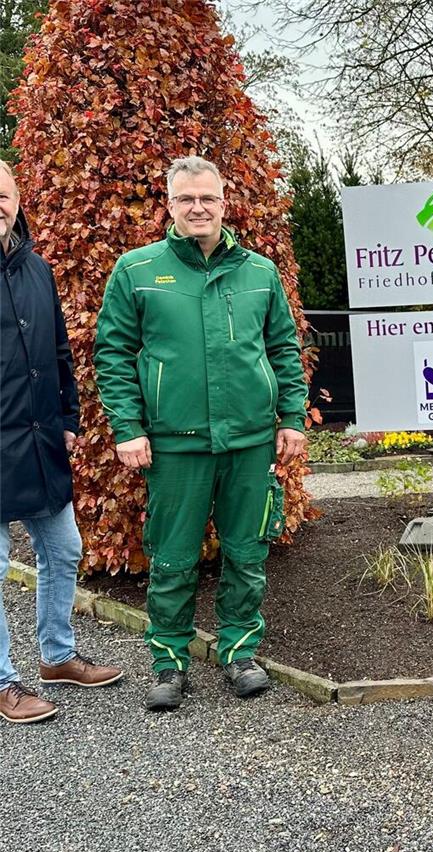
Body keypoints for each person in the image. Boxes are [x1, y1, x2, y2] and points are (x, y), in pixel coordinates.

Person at [93, 156, 307, 712]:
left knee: (246, 551)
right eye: (186, 199)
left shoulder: (258, 273)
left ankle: (240, 652)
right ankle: (168, 663)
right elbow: (113, 353)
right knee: (172, 557)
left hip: (250, 440)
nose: (198, 208)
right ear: (170, 204)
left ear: (223, 202)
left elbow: (284, 349)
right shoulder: (138, 270)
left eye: (207, 198)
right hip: (174, 443)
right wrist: (128, 427)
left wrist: (290, 418)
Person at [0, 160, 122, 724]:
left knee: (64, 548)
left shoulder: (36, 269)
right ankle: (4, 682)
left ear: (17, 199)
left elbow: (59, 353)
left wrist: (68, 416)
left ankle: (57, 655)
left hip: (42, 441)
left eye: (2, 196)